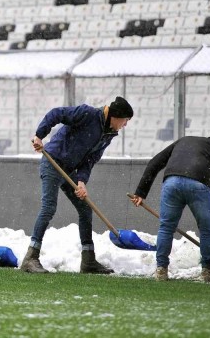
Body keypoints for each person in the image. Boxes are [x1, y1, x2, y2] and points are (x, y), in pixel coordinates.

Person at [21, 96, 134, 274]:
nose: (125, 125)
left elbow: (90, 159)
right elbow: (56, 114)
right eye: (125, 120)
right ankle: (30, 257)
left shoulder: (108, 134)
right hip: (53, 162)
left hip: (71, 170)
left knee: (85, 209)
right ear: (116, 116)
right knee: (49, 207)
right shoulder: (87, 114)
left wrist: (81, 182)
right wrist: (39, 135)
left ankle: (88, 260)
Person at [130, 135, 210, 283]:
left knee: (166, 228)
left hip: (172, 182)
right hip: (198, 184)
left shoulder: (184, 141)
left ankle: (161, 269)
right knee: (207, 229)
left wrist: (141, 192)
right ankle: (207, 271)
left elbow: (154, 163)